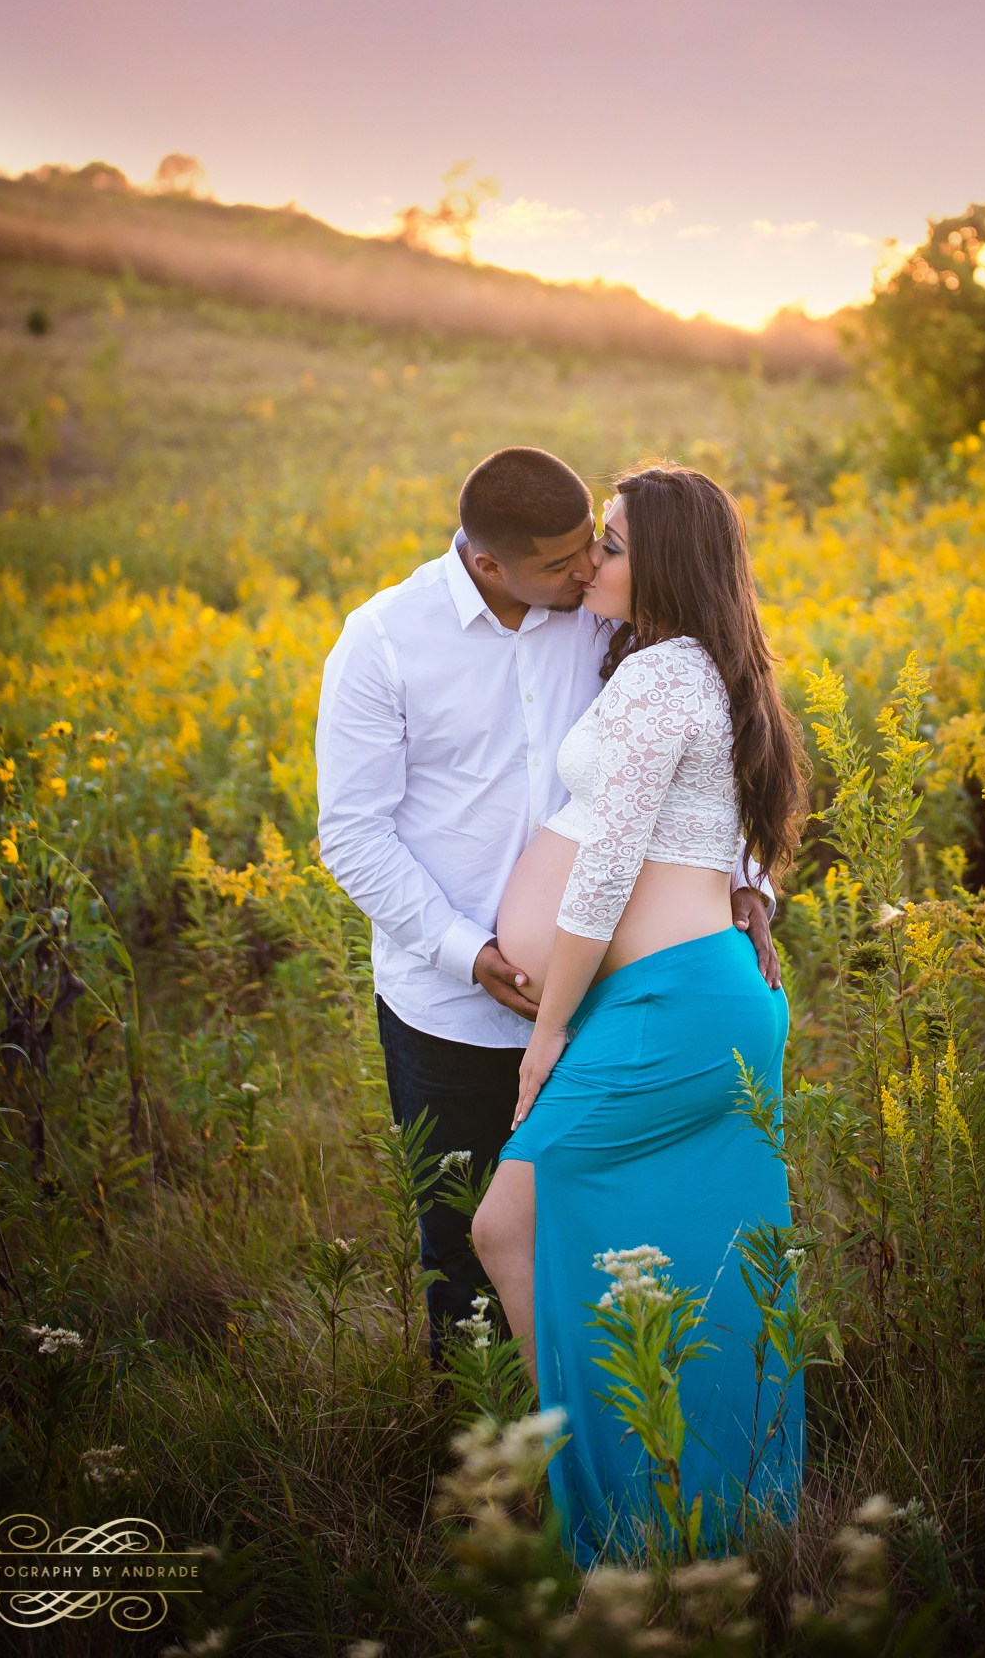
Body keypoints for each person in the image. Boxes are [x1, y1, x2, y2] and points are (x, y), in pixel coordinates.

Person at [314, 447, 779, 1359]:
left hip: (600, 1002)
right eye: (564, 560)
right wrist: (469, 954)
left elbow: (698, 744)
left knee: (598, 1235)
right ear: (486, 562)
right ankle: (494, 1481)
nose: (585, 568)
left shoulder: (604, 614)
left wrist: (743, 875)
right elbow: (354, 837)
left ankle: (612, 1458)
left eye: (593, 548)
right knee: (463, 1256)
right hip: (447, 1009)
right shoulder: (382, 641)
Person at [473, 463, 809, 1561]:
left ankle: (625, 1520)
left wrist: (546, 1027)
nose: (591, 562)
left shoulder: (666, 675)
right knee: (687, 1254)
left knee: (509, 1224)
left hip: (664, 1006)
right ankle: (688, 1513)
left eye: (608, 545)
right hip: (683, 995)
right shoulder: (685, 667)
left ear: (659, 561)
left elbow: (609, 863)